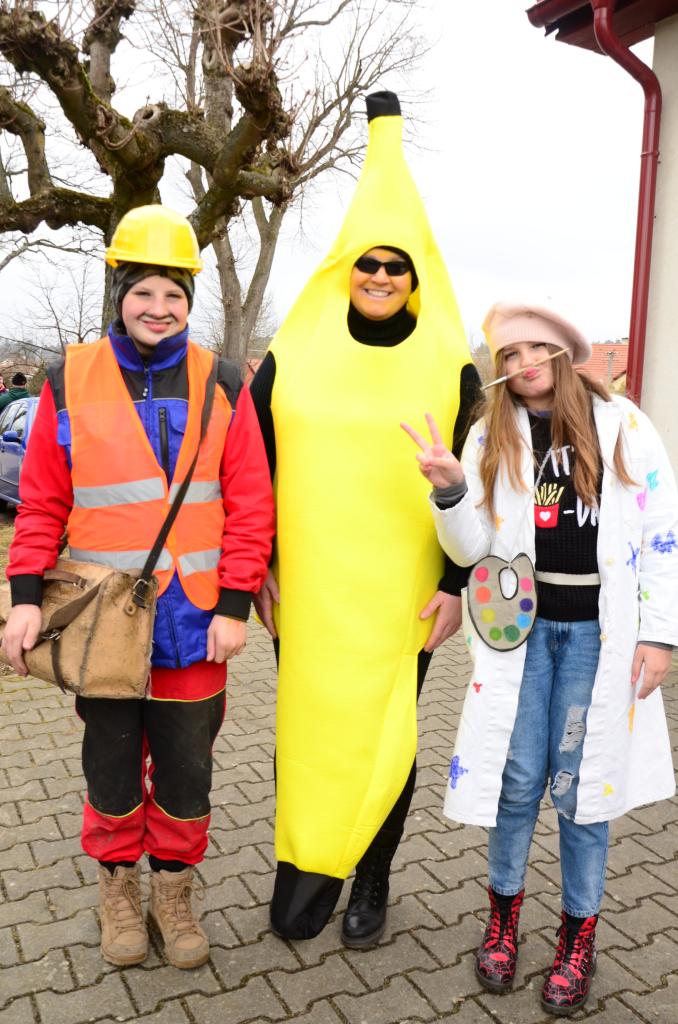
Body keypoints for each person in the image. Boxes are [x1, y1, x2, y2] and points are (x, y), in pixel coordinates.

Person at [1, 205, 275, 969]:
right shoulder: (69, 379)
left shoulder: (224, 381)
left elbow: (252, 503)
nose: (159, 308)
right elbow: (41, 505)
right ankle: (118, 888)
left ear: (190, 299)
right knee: (112, 765)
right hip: (105, 623)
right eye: (143, 292)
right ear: (119, 293)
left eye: (174, 294)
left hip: (197, 619)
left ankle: (173, 893)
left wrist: (234, 605)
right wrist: (23, 601)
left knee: (188, 768)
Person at [403, 301, 678, 1016]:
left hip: (595, 638)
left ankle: (578, 936)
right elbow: (470, 548)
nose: (523, 364)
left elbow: (661, 531)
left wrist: (659, 635)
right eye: (509, 355)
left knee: (582, 787)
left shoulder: (622, 425)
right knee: (517, 779)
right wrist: (448, 488)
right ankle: (502, 919)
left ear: (560, 353)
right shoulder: (490, 433)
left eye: (534, 349)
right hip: (519, 635)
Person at [250, 91, 479, 945]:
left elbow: (474, 489)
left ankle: (373, 876)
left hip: (403, 595)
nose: (381, 277)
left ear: (417, 279)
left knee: (389, 732)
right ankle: (308, 864)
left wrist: (455, 584)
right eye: (368, 264)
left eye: (397, 267)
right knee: (311, 726)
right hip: (309, 591)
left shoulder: (452, 368)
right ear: (345, 268)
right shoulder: (292, 356)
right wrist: (255, 565)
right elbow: (252, 468)